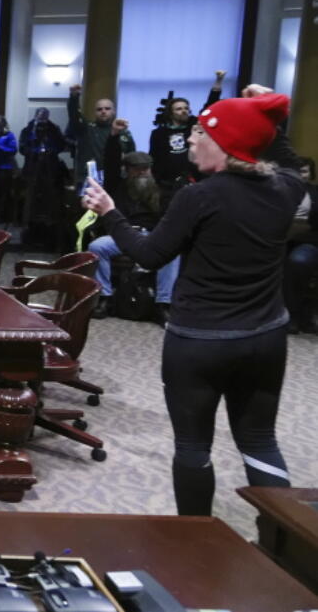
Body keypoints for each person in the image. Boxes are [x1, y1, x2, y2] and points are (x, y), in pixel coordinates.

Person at [82, 84, 302, 517]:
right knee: (260, 441)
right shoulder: (286, 188)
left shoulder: (198, 196)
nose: (193, 139)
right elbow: (288, 160)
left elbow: (149, 254)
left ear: (226, 145)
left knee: (193, 445)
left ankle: (197, 541)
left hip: (200, 343)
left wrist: (109, 210)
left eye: (202, 132)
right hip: (266, 338)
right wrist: (272, 116)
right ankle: (284, 543)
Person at [86, 136, 179, 322]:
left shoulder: (162, 190)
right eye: (137, 169)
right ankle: (105, 297)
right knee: (96, 247)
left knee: (174, 251)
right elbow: (110, 162)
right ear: (127, 170)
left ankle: (164, 303)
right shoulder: (117, 186)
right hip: (124, 236)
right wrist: (113, 136)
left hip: (153, 235)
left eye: (146, 168)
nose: (142, 172)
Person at [149, 70, 225, 207]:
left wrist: (218, 81)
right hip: (168, 185)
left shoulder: (194, 125)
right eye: (178, 109)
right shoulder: (159, 133)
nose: (183, 111)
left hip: (196, 179)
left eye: (186, 108)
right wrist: (157, 181)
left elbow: (210, 106)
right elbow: (154, 158)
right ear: (171, 113)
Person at [67, 84, 134, 186]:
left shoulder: (123, 133)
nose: (103, 111)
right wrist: (74, 97)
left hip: (114, 179)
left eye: (107, 109)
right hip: (88, 179)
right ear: (95, 112)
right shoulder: (86, 129)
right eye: (99, 109)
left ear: (114, 111)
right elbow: (74, 115)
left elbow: (131, 157)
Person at [19, 107, 68, 248]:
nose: (41, 119)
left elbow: (61, 145)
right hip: (32, 170)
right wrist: (35, 151)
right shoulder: (28, 129)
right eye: (39, 116)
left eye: (44, 116)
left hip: (49, 172)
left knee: (49, 203)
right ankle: (28, 230)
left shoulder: (53, 129)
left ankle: (48, 233)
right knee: (30, 202)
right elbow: (22, 148)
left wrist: (48, 152)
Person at [285, 156, 318, 334]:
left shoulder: (316, 193)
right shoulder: (280, 190)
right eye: (297, 170)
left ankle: (295, 316)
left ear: (311, 174)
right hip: (279, 241)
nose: (300, 175)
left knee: (299, 261)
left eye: (304, 171)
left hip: (307, 242)